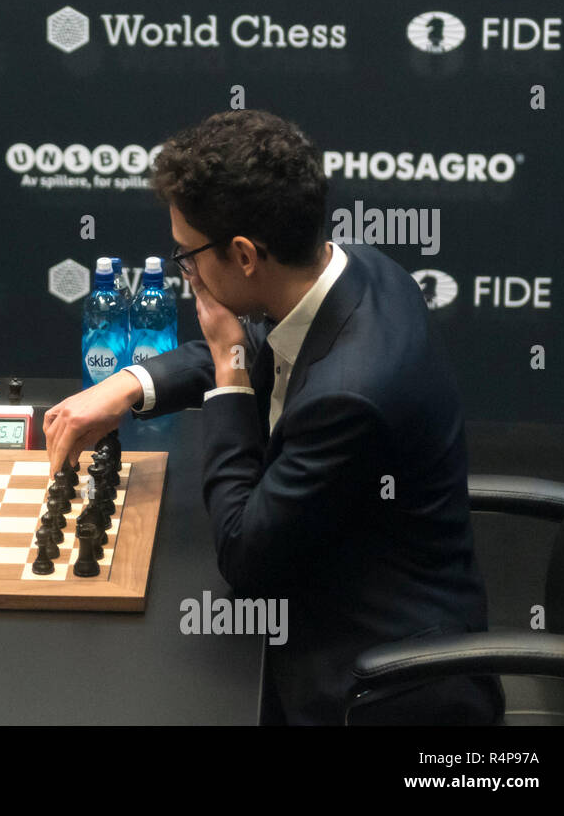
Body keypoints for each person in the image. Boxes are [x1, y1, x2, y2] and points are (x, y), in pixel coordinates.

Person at [45, 110, 501, 725]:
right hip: (357, 580)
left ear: (243, 254)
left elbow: (246, 557)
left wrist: (229, 382)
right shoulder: (355, 271)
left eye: (187, 256)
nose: (186, 273)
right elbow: (260, 339)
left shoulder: (351, 394)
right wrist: (131, 384)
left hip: (381, 686)